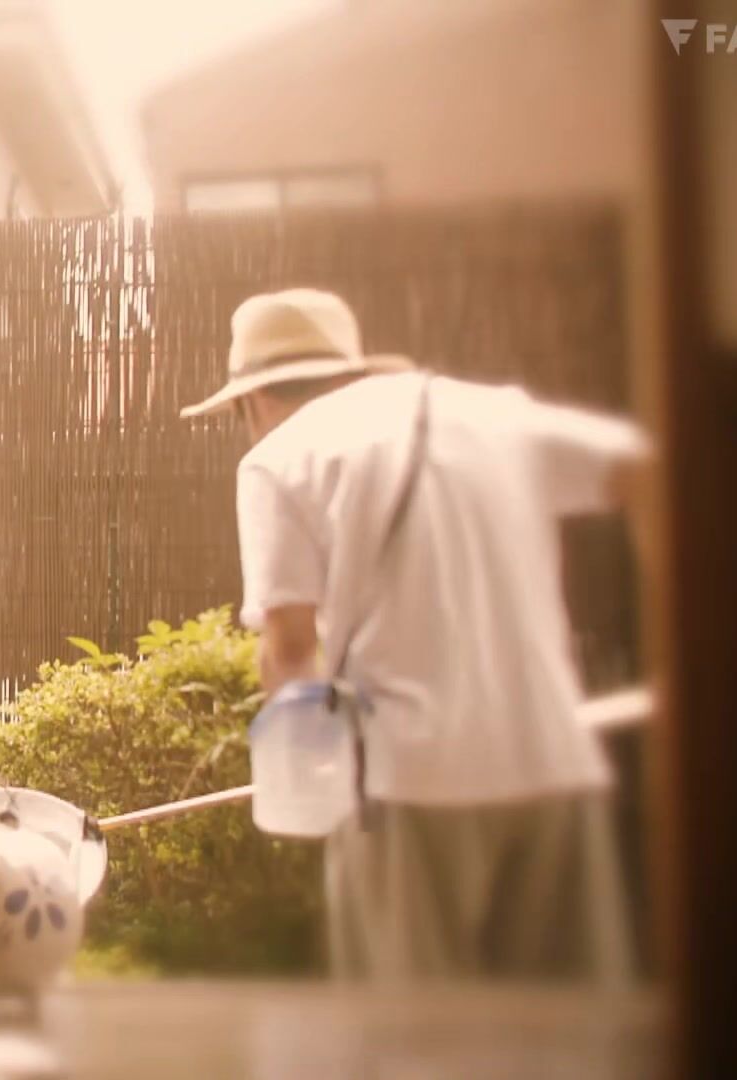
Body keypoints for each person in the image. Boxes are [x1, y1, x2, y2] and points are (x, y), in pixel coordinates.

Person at [181, 287, 645, 984]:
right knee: (574, 1027)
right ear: (351, 367)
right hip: (552, 761)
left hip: (407, 782)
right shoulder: (495, 415)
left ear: (253, 400)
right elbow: (647, 471)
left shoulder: (278, 457)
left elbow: (291, 648)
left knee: (410, 1030)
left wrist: (300, 766)